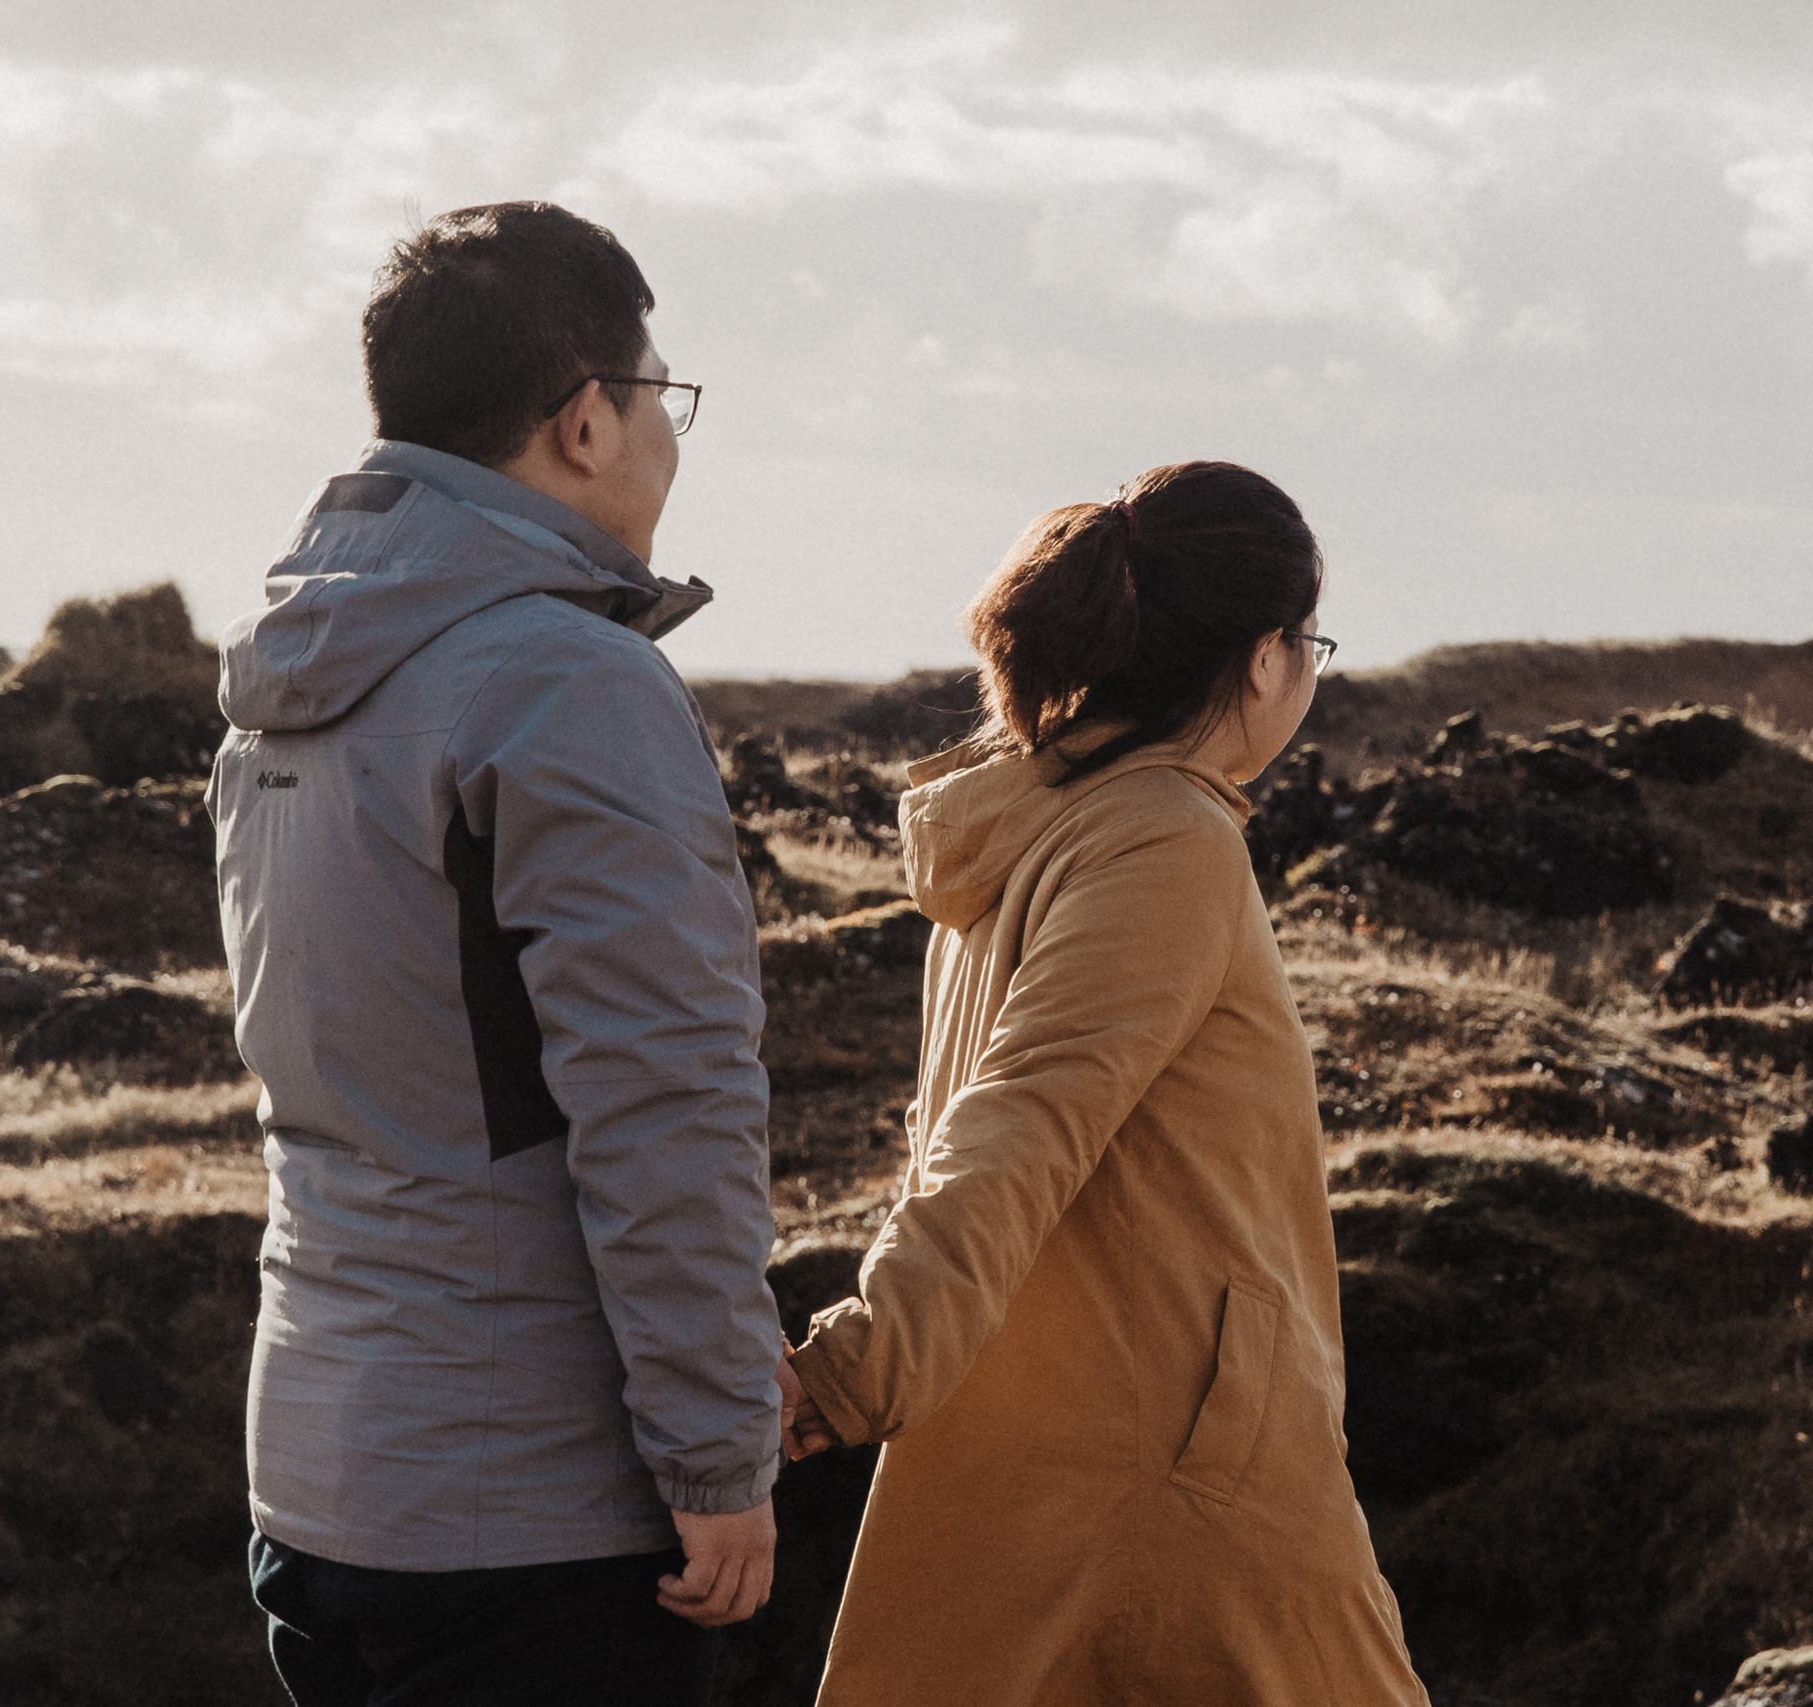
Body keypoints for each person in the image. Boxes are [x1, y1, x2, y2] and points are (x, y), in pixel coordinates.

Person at [210, 202, 796, 1706]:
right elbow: (663, 1099)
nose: (672, 436)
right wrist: (718, 1447)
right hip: (532, 1515)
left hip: (326, 1477)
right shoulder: (566, 679)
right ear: (585, 420)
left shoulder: (288, 678)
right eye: (663, 397)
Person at [782, 461, 1431, 1705]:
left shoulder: (1021, 841)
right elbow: (1015, 1127)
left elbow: (976, 1134)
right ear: (1260, 660)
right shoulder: (1165, 837)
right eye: (1310, 644)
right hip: (1185, 1484)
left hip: (1003, 1466)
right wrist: (853, 1367)